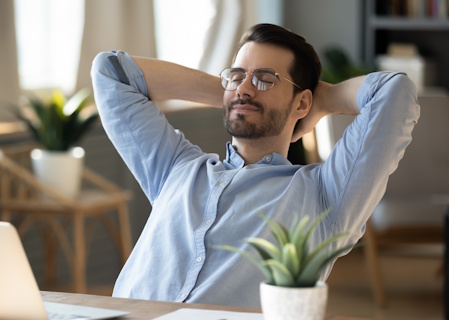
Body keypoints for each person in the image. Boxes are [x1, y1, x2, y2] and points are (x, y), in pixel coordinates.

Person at [90, 23, 419, 308]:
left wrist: (322, 101)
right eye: (235, 76)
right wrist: (234, 95)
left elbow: (394, 92)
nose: (245, 87)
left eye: (265, 79)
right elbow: (110, 71)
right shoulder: (176, 166)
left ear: (302, 101)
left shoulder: (325, 195)